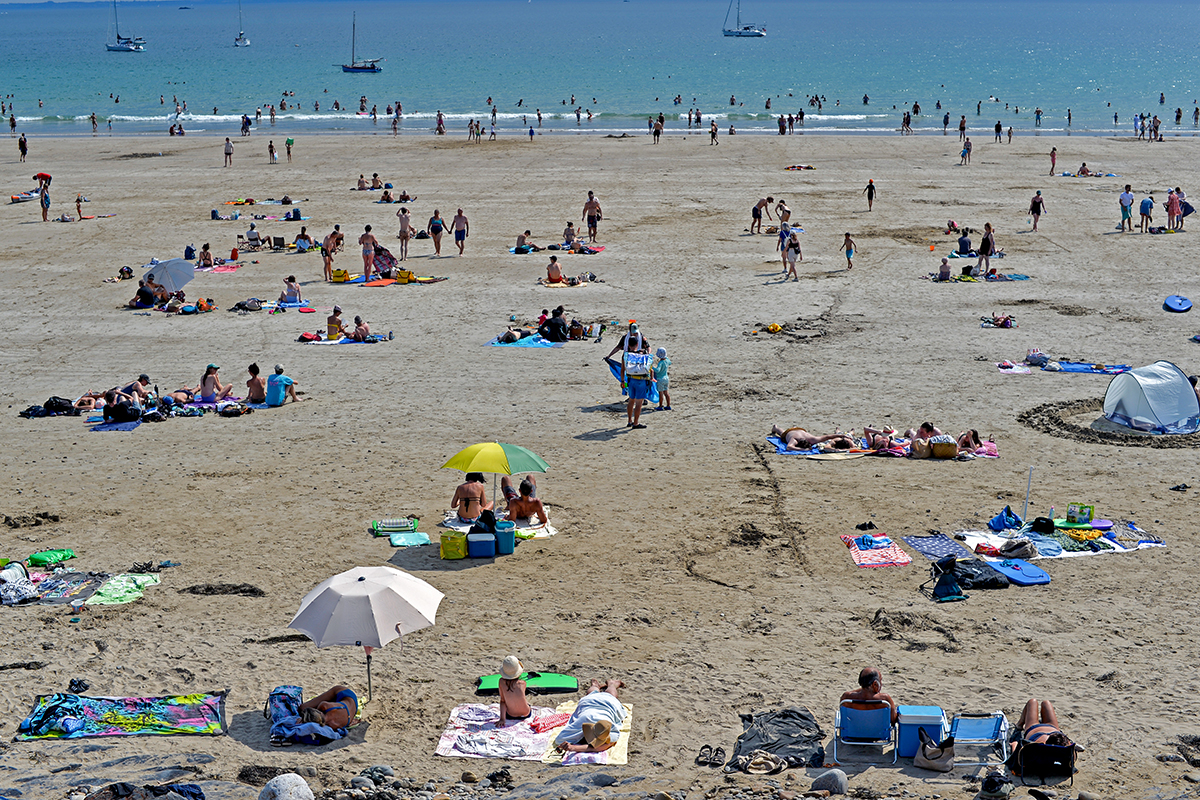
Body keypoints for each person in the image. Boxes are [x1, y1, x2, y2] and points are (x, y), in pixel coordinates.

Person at [553, 679, 626, 754]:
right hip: (606, 704)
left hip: (594, 702)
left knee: (595, 694)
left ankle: (596, 686)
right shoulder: (584, 722)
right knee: (610, 695)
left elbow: (603, 746)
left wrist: (574, 747)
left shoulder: (608, 728)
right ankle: (611, 684)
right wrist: (574, 748)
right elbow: (601, 746)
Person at [497, 656, 532, 726]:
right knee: (527, 704)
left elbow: (502, 701)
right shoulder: (523, 683)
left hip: (511, 715)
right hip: (526, 714)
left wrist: (502, 719)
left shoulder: (501, 682)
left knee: (506, 701)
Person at [770, 424, 856, 451]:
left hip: (797, 431)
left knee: (781, 432)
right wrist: (804, 450)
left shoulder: (811, 440)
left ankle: (776, 427)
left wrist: (840, 435)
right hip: (790, 432)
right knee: (782, 433)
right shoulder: (795, 440)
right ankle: (775, 428)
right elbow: (789, 447)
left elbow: (827, 437)